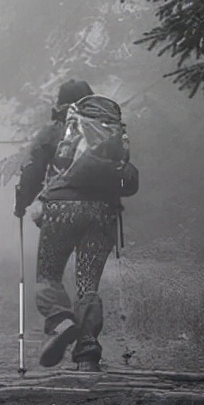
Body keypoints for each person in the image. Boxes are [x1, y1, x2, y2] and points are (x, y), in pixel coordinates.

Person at [14, 78, 138, 371]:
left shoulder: (57, 129)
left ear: (59, 104)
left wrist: (21, 202)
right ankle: (87, 350)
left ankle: (60, 320)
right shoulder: (108, 131)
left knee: (49, 275)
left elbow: (33, 171)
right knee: (87, 284)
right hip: (103, 213)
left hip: (61, 209)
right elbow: (126, 176)